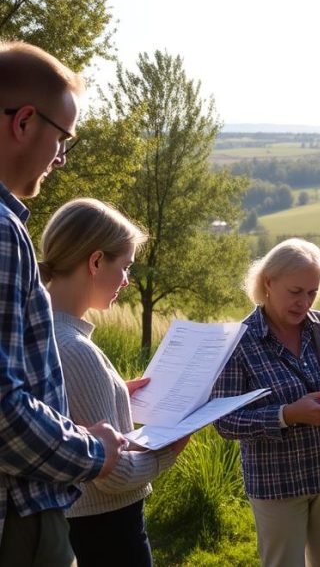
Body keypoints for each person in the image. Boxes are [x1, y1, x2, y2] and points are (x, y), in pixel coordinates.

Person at [0, 40, 126, 566]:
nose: (60, 158)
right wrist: (91, 451)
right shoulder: (4, 234)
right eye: (63, 139)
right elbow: (3, 410)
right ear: (24, 122)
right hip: (19, 518)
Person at [39, 198, 188, 566]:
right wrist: (169, 451)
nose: (126, 281)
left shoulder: (42, 335)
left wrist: (115, 389)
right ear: (95, 262)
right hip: (106, 532)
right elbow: (114, 474)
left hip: (79, 527)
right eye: (124, 267)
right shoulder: (75, 349)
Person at [212, 238, 320, 567]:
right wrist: (287, 415)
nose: (304, 302)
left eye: (312, 293)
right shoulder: (238, 342)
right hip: (277, 483)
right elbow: (225, 422)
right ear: (268, 282)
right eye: (295, 291)